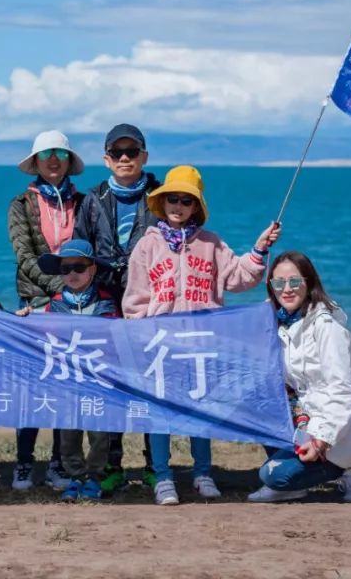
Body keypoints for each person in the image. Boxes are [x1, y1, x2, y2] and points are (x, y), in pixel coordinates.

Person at [123, 165, 280, 506]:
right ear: (162, 202)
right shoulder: (146, 246)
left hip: (202, 344)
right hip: (161, 345)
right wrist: (141, 336)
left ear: (196, 206)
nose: (178, 206)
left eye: (186, 200)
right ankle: (163, 478)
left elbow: (239, 277)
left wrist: (258, 249)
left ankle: (202, 473)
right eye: (172, 199)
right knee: (161, 412)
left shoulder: (211, 244)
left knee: (201, 410)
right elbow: (135, 298)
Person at [248, 251, 351, 503]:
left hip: (342, 428)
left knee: (273, 476)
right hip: (307, 419)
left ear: (309, 283)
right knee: (259, 398)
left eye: (295, 282)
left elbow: (341, 392)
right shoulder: (282, 324)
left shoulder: (328, 329)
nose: (287, 289)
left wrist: (321, 441)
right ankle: (296, 479)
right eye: (278, 283)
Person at [72, 123, 160, 490]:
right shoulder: (93, 199)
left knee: (152, 385)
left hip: (152, 304)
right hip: (106, 302)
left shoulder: (161, 195)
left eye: (132, 151)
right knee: (110, 387)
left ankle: (157, 464)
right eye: (117, 153)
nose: (125, 158)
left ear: (144, 156)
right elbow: (81, 248)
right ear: (107, 160)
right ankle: (111, 466)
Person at [7, 130, 86, 492]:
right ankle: (24, 463)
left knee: (64, 391)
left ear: (69, 160)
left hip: (77, 311)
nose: (53, 159)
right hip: (36, 307)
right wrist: (61, 289)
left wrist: (73, 295)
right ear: (35, 162)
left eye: (60, 153)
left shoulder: (84, 203)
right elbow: (24, 257)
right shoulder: (20, 205)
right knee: (30, 389)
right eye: (45, 154)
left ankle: (59, 463)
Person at [17, 239, 117, 501]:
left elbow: (118, 340)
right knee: (68, 434)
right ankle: (75, 476)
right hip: (67, 383)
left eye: (79, 267)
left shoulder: (107, 303)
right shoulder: (54, 305)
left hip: (98, 382)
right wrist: (26, 317)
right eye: (65, 269)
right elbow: (40, 330)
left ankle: (94, 476)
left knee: (99, 434)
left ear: (92, 269)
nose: (72, 274)